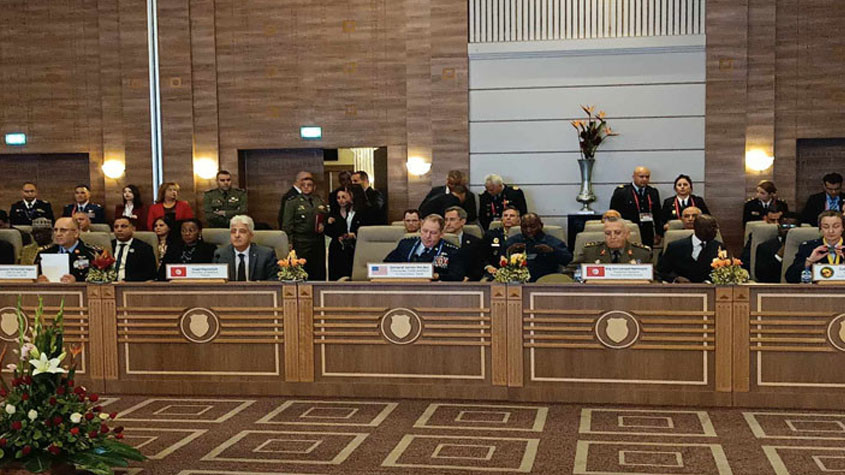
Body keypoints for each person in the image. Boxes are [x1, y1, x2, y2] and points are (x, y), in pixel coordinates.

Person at [384, 214, 466, 281]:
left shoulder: (451, 251)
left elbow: (457, 276)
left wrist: (435, 276)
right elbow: (387, 264)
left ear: (441, 234)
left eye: (433, 233)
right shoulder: (406, 244)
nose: (427, 236)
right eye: (425, 231)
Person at [566, 217, 652, 274]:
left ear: (627, 234)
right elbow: (570, 272)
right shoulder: (590, 252)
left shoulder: (642, 253)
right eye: (608, 233)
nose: (612, 237)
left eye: (617, 233)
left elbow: (654, 278)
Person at [502, 213, 572, 282]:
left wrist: (552, 251)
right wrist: (509, 251)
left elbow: (567, 260)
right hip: (517, 280)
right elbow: (500, 259)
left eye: (532, 227)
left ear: (541, 226)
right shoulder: (513, 241)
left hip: (545, 280)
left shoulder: (552, 241)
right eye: (524, 227)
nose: (528, 230)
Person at [282, 175, 327, 281]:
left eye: (309, 185)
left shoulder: (319, 201)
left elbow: (325, 216)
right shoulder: (293, 202)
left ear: (314, 187)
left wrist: (324, 224)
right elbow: (287, 223)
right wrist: (289, 241)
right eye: (303, 185)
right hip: (301, 240)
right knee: (302, 269)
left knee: (318, 270)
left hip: (317, 240)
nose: (306, 187)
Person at [657, 214, 723, 283]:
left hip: (709, 288)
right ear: (698, 228)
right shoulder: (675, 247)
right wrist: (675, 279)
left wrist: (709, 282)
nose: (716, 231)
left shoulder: (719, 248)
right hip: (681, 288)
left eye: (716, 228)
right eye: (712, 227)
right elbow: (661, 272)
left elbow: (723, 273)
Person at [213, 215, 280, 281]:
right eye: (233, 232)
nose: (237, 235)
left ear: (251, 235)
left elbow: (274, 279)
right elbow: (215, 281)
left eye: (242, 231)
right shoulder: (221, 255)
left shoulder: (266, 255)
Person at [785, 210, 845, 283]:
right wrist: (809, 261)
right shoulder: (808, 247)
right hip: (818, 289)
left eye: (836, 226)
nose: (831, 231)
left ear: (843, 228)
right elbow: (790, 278)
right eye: (826, 227)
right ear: (820, 229)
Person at [35, 217, 100, 283]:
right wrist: (38, 280)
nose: (58, 234)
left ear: (76, 233)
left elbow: (100, 280)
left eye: (63, 230)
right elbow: (33, 276)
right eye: (55, 230)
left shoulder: (92, 254)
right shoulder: (45, 253)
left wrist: (77, 282)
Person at [610, 167, 663, 247]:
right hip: (629, 230)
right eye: (641, 176)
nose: (644, 179)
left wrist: (659, 233)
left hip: (647, 231)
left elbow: (657, 214)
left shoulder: (653, 192)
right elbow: (614, 214)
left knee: (646, 253)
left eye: (647, 177)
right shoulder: (622, 192)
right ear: (634, 177)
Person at [325, 186, 367, 280]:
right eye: (338, 198)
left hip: (354, 247)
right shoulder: (336, 212)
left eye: (345, 196)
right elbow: (328, 230)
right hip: (338, 247)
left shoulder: (361, 211)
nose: (342, 200)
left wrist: (354, 235)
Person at [755, 211, 801, 283]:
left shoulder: (805, 247)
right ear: (779, 227)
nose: (788, 230)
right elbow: (761, 276)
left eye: (792, 227)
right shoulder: (765, 247)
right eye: (784, 226)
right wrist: (778, 257)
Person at [111, 217, 157, 282]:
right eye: (116, 227)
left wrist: (127, 281)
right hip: (108, 284)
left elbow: (149, 273)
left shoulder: (144, 248)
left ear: (133, 229)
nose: (119, 229)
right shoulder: (107, 246)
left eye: (123, 226)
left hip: (132, 285)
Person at [444, 206, 483, 280]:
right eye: (446, 220)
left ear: (463, 221)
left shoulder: (475, 242)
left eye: (452, 219)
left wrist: (469, 278)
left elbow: (479, 266)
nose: (448, 223)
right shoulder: (438, 240)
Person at [481, 206, 521, 277]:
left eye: (512, 216)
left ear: (518, 219)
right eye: (505, 215)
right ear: (501, 219)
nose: (508, 218)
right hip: (494, 272)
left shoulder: (523, 235)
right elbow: (482, 255)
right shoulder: (491, 234)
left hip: (519, 272)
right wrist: (488, 266)